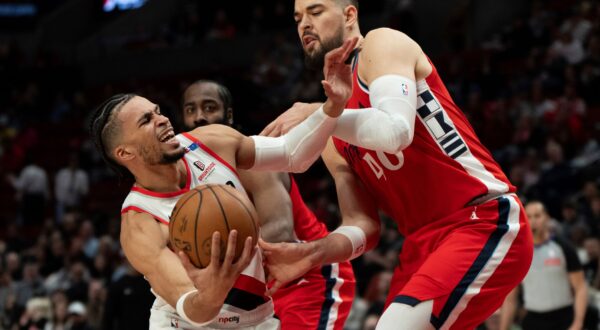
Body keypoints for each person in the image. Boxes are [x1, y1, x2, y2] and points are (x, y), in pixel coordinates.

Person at [259, 0, 534, 329]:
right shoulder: (332, 136)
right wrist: (312, 253)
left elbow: (396, 132)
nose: (304, 23)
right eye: (298, 17)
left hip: (482, 219)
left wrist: (322, 114)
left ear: (350, 15)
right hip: (421, 245)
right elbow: (364, 225)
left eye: (315, 11)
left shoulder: (381, 44)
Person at [88, 38, 356, 329]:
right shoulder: (140, 223)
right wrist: (212, 292)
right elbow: (193, 309)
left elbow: (292, 155)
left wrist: (333, 106)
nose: (163, 120)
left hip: (256, 318)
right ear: (125, 153)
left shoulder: (212, 140)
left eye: (157, 111)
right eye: (146, 121)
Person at [182, 80, 356, 329]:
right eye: (190, 110)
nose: (199, 117)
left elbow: (279, 233)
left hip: (307, 275)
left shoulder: (252, 158)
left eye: (209, 108)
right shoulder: (188, 174)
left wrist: (218, 262)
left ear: (228, 116)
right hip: (257, 289)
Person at [499, 201, 588, 330]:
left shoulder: (563, 246)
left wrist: (578, 323)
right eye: (528, 216)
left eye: (537, 216)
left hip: (564, 318)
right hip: (534, 319)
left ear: (547, 217)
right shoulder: (518, 253)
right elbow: (510, 299)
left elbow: (580, 287)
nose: (533, 221)